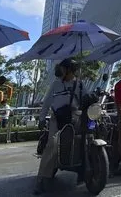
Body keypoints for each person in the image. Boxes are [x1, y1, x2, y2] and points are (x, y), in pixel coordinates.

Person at [34, 58, 86, 194]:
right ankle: (41, 179)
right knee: (52, 145)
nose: (60, 71)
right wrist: (41, 119)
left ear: (69, 70)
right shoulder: (55, 84)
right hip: (57, 119)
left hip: (75, 118)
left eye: (63, 68)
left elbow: (88, 98)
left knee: (86, 139)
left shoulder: (79, 85)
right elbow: (46, 103)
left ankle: (84, 170)